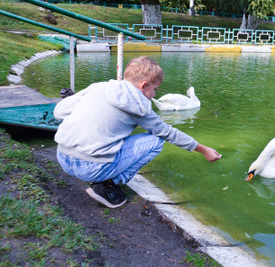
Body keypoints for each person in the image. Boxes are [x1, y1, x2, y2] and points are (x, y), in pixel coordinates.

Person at [54, 56, 221, 208]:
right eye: (155, 89)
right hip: (90, 169)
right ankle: (107, 186)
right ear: (143, 86)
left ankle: (103, 178)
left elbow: (59, 112)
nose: (154, 94)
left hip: (62, 157)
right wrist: (204, 150)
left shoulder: (99, 87)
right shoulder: (139, 106)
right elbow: (168, 133)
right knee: (156, 141)